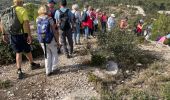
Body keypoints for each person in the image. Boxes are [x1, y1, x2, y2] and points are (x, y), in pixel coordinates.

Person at [1, 0, 40, 79]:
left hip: (12, 35)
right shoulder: (22, 10)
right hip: (22, 34)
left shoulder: (8, 10)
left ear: (14, 2)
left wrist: (4, 34)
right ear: (21, 2)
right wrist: (28, 35)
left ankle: (25, 67)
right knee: (25, 50)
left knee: (20, 51)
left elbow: (1, 22)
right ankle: (27, 67)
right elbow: (26, 23)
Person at [36, 5, 59, 76]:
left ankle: (47, 71)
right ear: (47, 10)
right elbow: (54, 31)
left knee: (46, 54)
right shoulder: (49, 19)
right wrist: (57, 40)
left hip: (42, 39)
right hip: (50, 39)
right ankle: (54, 68)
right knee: (54, 53)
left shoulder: (37, 19)